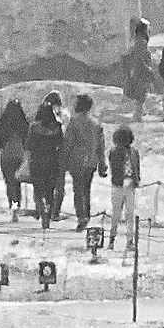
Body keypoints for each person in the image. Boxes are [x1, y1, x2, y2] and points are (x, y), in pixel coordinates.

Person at [63, 93, 108, 232]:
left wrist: (63, 160)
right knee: (86, 189)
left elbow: (68, 143)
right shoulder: (96, 123)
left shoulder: (74, 122)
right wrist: (102, 163)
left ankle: (81, 216)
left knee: (78, 189)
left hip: (76, 160)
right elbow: (101, 146)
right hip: (91, 162)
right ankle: (86, 215)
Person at [26, 95, 67, 229]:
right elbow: (61, 144)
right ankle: (48, 213)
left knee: (39, 189)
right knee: (50, 190)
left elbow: (29, 145)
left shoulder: (34, 127)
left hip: (37, 161)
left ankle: (41, 207)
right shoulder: (57, 127)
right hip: (52, 161)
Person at [0, 99, 30, 221]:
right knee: (17, 182)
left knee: (9, 183)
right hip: (19, 155)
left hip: (6, 156)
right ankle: (18, 205)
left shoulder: (3, 124)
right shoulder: (24, 124)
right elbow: (27, 142)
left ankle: (13, 205)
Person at [106, 126, 141, 245]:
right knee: (116, 214)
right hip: (118, 186)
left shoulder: (134, 152)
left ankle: (129, 239)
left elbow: (137, 168)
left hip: (129, 186)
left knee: (129, 214)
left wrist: (136, 180)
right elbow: (115, 167)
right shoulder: (114, 152)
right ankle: (112, 237)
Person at [121, 18, 156, 124]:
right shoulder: (142, 43)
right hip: (141, 74)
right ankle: (137, 119)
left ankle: (137, 117)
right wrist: (149, 71)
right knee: (140, 99)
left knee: (139, 100)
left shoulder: (134, 43)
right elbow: (141, 59)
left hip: (135, 74)